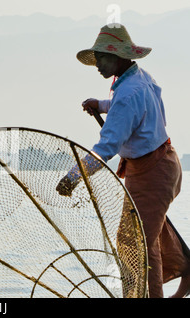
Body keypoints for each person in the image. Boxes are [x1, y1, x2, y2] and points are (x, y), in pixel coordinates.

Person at [56, 24, 190, 298]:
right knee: (147, 234)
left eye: (102, 59)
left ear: (118, 57)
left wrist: (74, 176)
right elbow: (131, 106)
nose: (98, 66)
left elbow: (107, 147)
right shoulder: (137, 79)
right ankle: (185, 269)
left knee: (135, 244)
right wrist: (102, 105)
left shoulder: (128, 93)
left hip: (154, 174)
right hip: (158, 165)